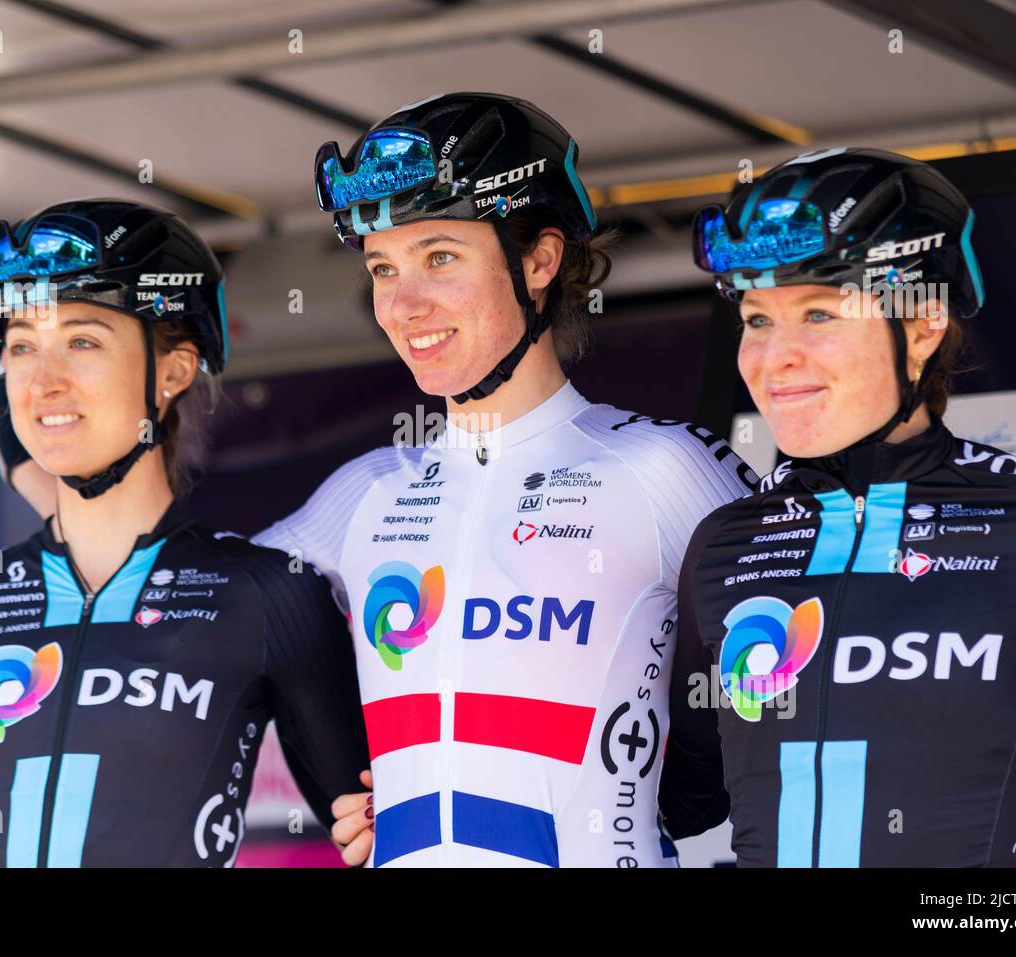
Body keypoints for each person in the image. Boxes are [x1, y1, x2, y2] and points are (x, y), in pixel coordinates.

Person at [250, 92, 759, 867]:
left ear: (540, 260)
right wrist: (339, 785)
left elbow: (843, 658)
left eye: (440, 258)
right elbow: (187, 613)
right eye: (383, 266)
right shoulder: (367, 491)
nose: (403, 302)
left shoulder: (662, 468)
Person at [0, 199, 369, 867]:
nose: (43, 381)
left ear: (172, 371)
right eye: (22, 345)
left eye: (82, 341)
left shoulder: (267, 593)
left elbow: (376, 840)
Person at [664, 147, 1016, 866]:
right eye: (758, 318)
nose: (775, 358)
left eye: (819, 313)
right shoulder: (724, 544)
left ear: (923, 326)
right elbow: (677, 792)